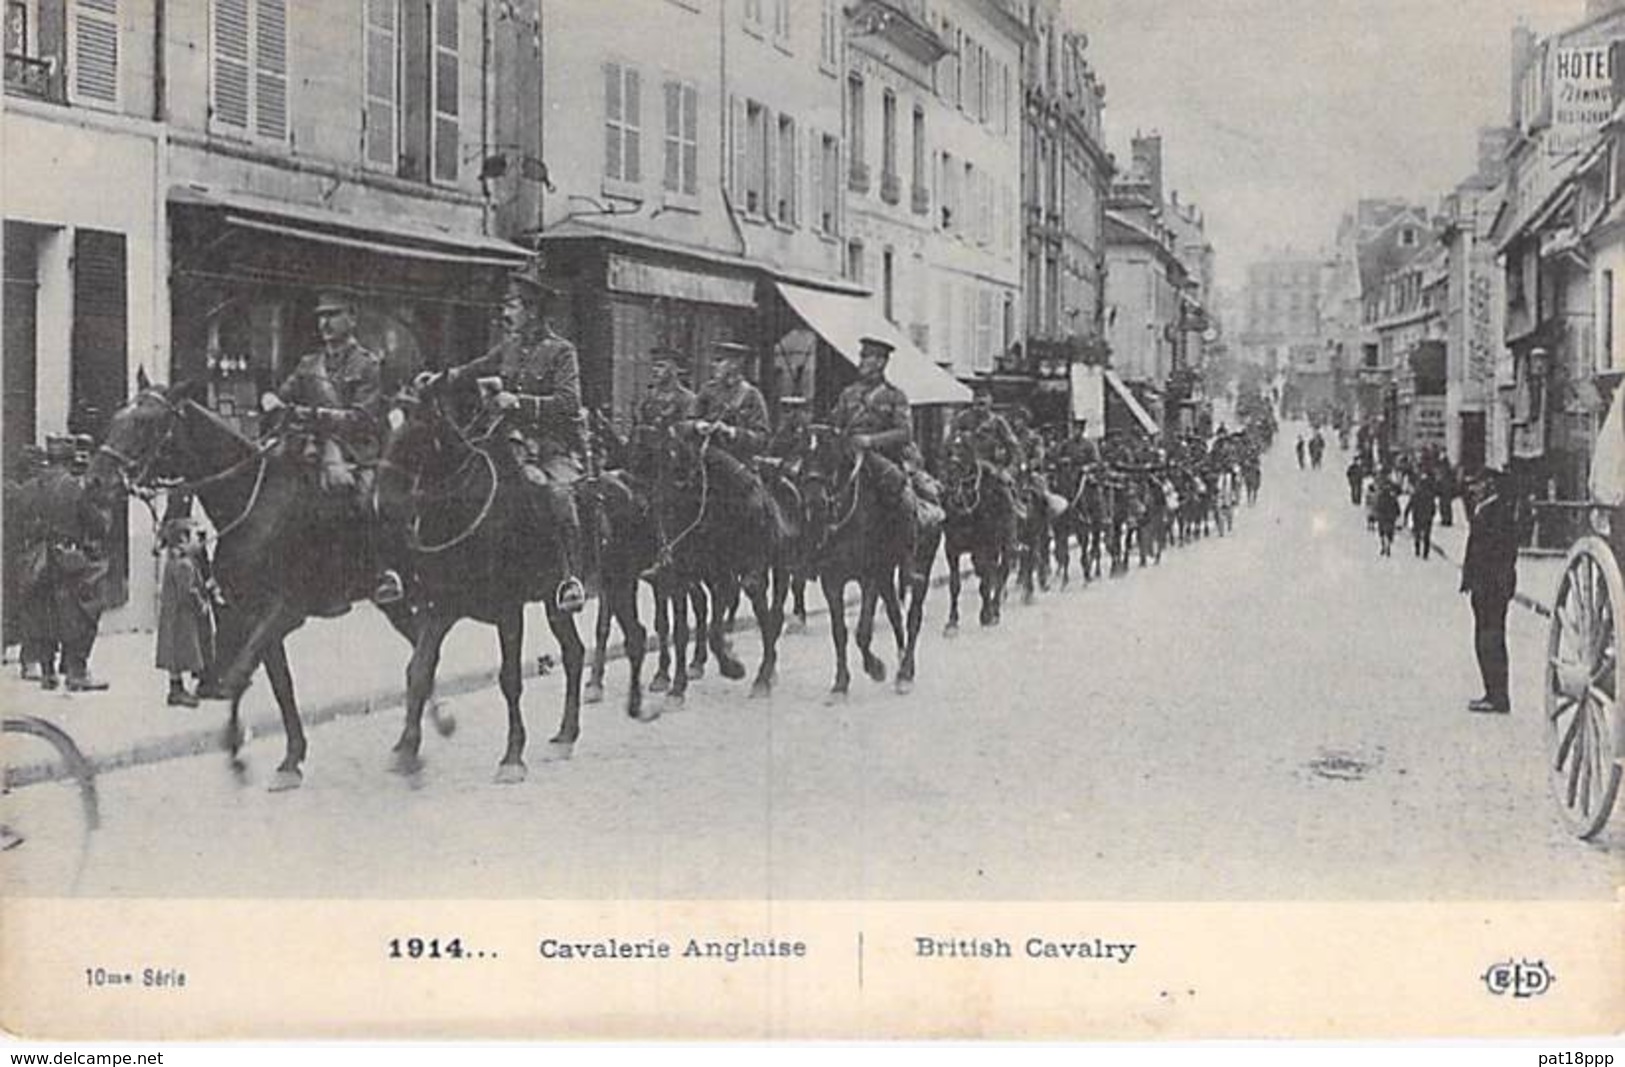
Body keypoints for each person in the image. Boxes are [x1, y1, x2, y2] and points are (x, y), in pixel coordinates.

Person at [424, 261, 587, 613]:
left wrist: (519, 401)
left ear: (533, 310)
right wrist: (439, 379)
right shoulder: (509, 347)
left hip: (551, 449)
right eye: (507, 304)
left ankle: (569, 576)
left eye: (512, 305)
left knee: (558, 495)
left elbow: (569, 402)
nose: (505, 312)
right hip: (510, 441)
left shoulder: (562, 351)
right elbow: (475, 368)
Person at [260, 289, 402, 609]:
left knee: (368, 502)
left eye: (333, 315)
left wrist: (309, 414)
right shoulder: (308, 364)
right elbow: (283, 397)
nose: (325, 322)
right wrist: (271, 400)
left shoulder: (367, 365)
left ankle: (381, 573)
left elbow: (362, 418)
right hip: (310, 449)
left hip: (356, 453)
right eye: (321, 316)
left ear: (351, 318)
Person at [18, 434, 112, 691]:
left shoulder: (29, 487)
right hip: (69, 561)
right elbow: (98, 525)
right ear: (70, 460)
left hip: (37, 560)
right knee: (83, 613)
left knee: (43, 614)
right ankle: (76, 672)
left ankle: (48, 672)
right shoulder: (75, 488)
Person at [677, 340, 788, 550]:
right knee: (680, 505)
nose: (714, 365)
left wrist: (732, 432)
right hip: (705, 467)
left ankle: (756, 561)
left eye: (720, 361)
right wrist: (698, 425)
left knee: (756, 508)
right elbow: (684, 425)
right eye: (715, 360)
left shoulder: (752, 396)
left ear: (735, 365)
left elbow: (763, 438)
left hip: (740, 468)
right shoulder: (707, 392)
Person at [829, 336, 922, 578]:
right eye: (861, 356)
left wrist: (871, 441)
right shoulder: (848, 394)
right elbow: (835, 422)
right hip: (848, 457)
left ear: (881, 362)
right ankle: (814, 554)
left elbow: (905, 432)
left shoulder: (895, 396)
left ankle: (907, 560)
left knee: (905, 501)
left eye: (866, 357)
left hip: (883, 461)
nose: (861, 362)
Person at [1460, 469, 1518, 713]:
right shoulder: (1486, 510)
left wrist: (1490, 581)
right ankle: (1493, 693)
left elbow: (1500, 551)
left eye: (1478, 484)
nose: (1473, 489)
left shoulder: (1497, 512)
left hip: (1492, 585)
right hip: (1485, 584)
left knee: (1490, 639)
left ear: (1490, 485)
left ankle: (1497, 696)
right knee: (1487, 639)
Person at [155, 517, 216, 707]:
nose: (200, 542)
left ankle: (177, 688)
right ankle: (177, 692)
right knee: (180, 653)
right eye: (196, 537)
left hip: (173, 616)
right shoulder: (184, 564)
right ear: (182, 540)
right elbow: (188, 591)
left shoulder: (175, 560)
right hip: (182, 618)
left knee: (175, 654)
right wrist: (202, 605)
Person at [1404, 474, 1438, 560]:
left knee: (1417, 535)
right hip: (1427, 518)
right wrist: (1432, 515)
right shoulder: (1430, 495)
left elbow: (1409, 505)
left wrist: (1406, 515)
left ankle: (1417, 550)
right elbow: (1433, 507)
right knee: (1427, 536)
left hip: (1417, 517)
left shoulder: (1416, 494)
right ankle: (1425, 553)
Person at [1374, 477, 1400, 557]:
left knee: (1382, 533)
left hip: (1382, 517)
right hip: (1391, 518)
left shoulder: (1380, 497)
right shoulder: (1393, 498)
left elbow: (1377, 507)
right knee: (1389, 533)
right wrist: (1397, 514)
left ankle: (1383, 546)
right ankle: (1388, 545)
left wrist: (1377, 515)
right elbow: (1397, 508)